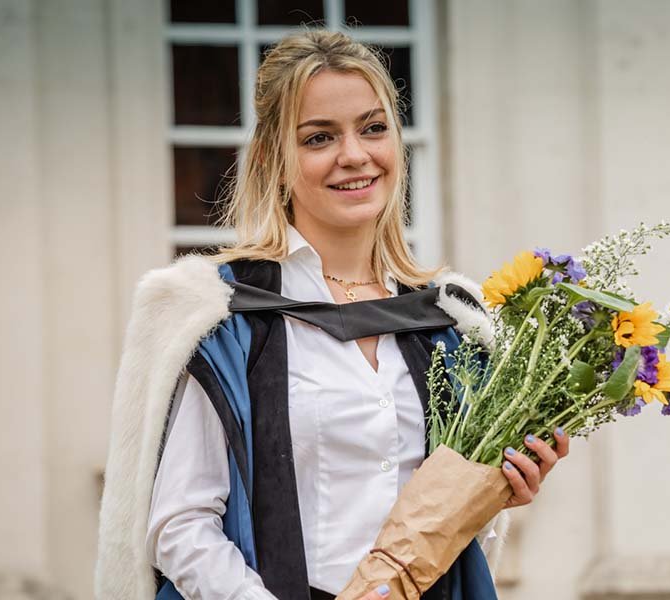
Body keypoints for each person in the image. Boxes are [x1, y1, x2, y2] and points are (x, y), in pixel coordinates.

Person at [94, 30, 568, 600]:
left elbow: (453, 522)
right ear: (274, 159)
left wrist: (501, 488)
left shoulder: (447, 320)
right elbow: (180, 524)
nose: (354, 155)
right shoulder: (225, 316)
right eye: (320, 137)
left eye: (373, 128)